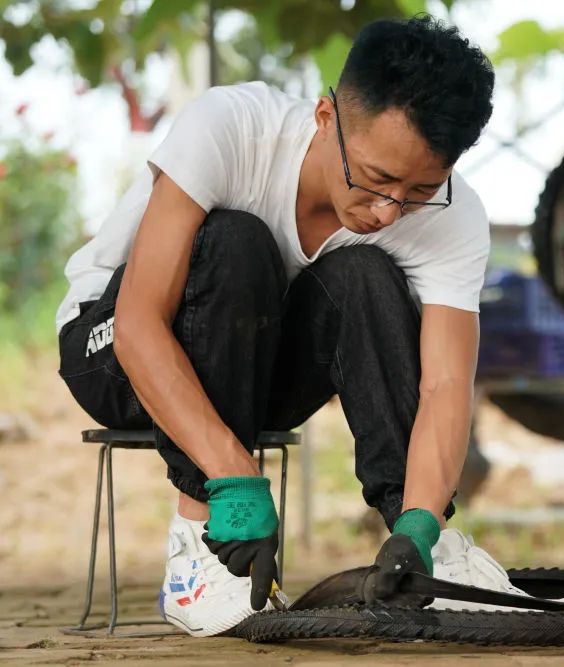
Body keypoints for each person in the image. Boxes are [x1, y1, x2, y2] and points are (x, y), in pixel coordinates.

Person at [56, 15, 523, 636]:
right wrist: (233, 477)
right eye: (377, 179)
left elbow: (445, 385)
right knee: (236, 239)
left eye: (419, 190)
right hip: (114, 348)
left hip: (257, 366)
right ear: (326, 117)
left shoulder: (451, 215)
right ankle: (200, 544)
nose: (389, 211)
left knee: (365, 272)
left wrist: (422, 519)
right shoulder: (231, 127)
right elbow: (141, 323)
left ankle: (424, 549)